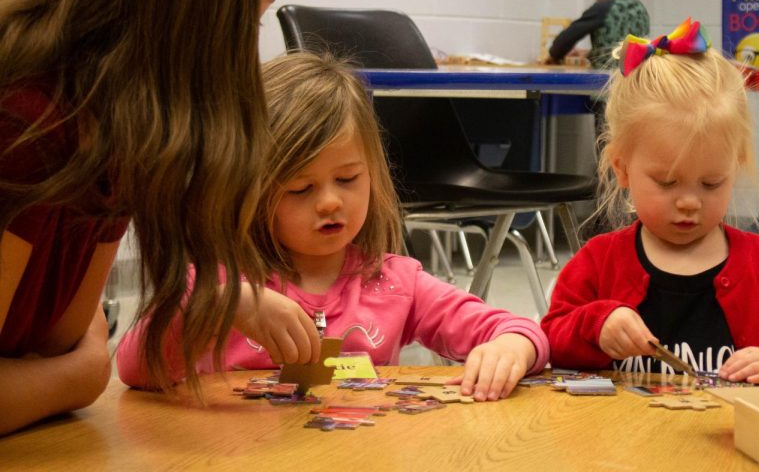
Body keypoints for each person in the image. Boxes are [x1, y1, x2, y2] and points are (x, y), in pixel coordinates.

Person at [0, 0, 290, 434]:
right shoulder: (22, 120)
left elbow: (60, 341)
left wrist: (73, 371)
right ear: (187, 9)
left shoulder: (106, 132)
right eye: (247, 20)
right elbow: (77, 365)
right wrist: (79, 376)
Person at [117, 52, 549, 401]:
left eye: (347, 179)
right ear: (247, 191)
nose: (329, 201)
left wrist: (510, 348)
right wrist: (224, 302)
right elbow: (135, 366)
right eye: (300, 188)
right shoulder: (218, 284)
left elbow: (517, 329)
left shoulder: (396, 282)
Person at [541, 19, 759, 385]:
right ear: (622, 168)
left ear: (736, 166)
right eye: (667, 182)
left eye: (711, 183)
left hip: (729, 438)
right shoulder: (598, 263)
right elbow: (552, 338)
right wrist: (596, 325)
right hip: (623, 439)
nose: (689, 203)